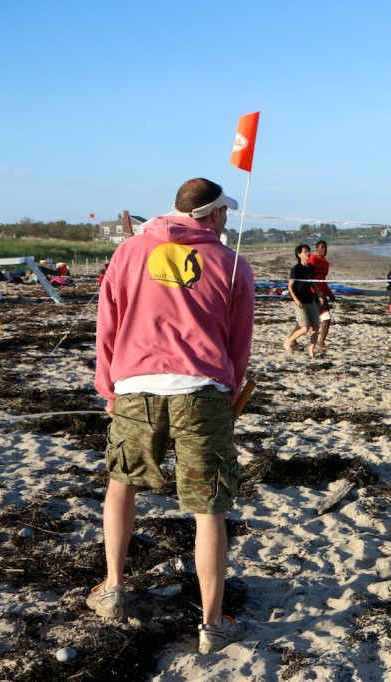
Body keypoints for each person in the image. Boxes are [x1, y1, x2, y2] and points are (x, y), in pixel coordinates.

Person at [93, 178, 254, 654]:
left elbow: (108, 323)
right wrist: (230, 389)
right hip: (202, 390)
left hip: (136, 388)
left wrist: (109, 386)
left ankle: (113, 587)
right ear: (216, 214)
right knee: (209, 509)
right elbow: (237, 342)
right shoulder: (229, 262)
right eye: (225, 211)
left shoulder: (129, 252)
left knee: (122, 484)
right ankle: (212, 623)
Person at [284, 244, 320, 358]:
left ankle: (311, 351)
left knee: (316, 327)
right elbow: (290, 286)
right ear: (299, 254)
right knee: (304, 328)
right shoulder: (296, 269)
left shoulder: (311, 267)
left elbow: (313, 283)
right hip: (300, 301)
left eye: (309, 251)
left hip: (310, 300)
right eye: (305, 251)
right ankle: (288, 342)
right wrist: (296, 300)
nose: (308, 253)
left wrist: (319, 296)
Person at [308, 240, 336, 351]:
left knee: (324, 318)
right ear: (317, 248)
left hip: (321, 294)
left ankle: (321, 343)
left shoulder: (326, 264)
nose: (325, 249)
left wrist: (329, 293)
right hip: (312, 293)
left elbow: (323, 281)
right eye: (322, 247)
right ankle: (320, 343)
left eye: (326, 247)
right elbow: (309, 276)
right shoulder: (313, 259)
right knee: (309, 321)